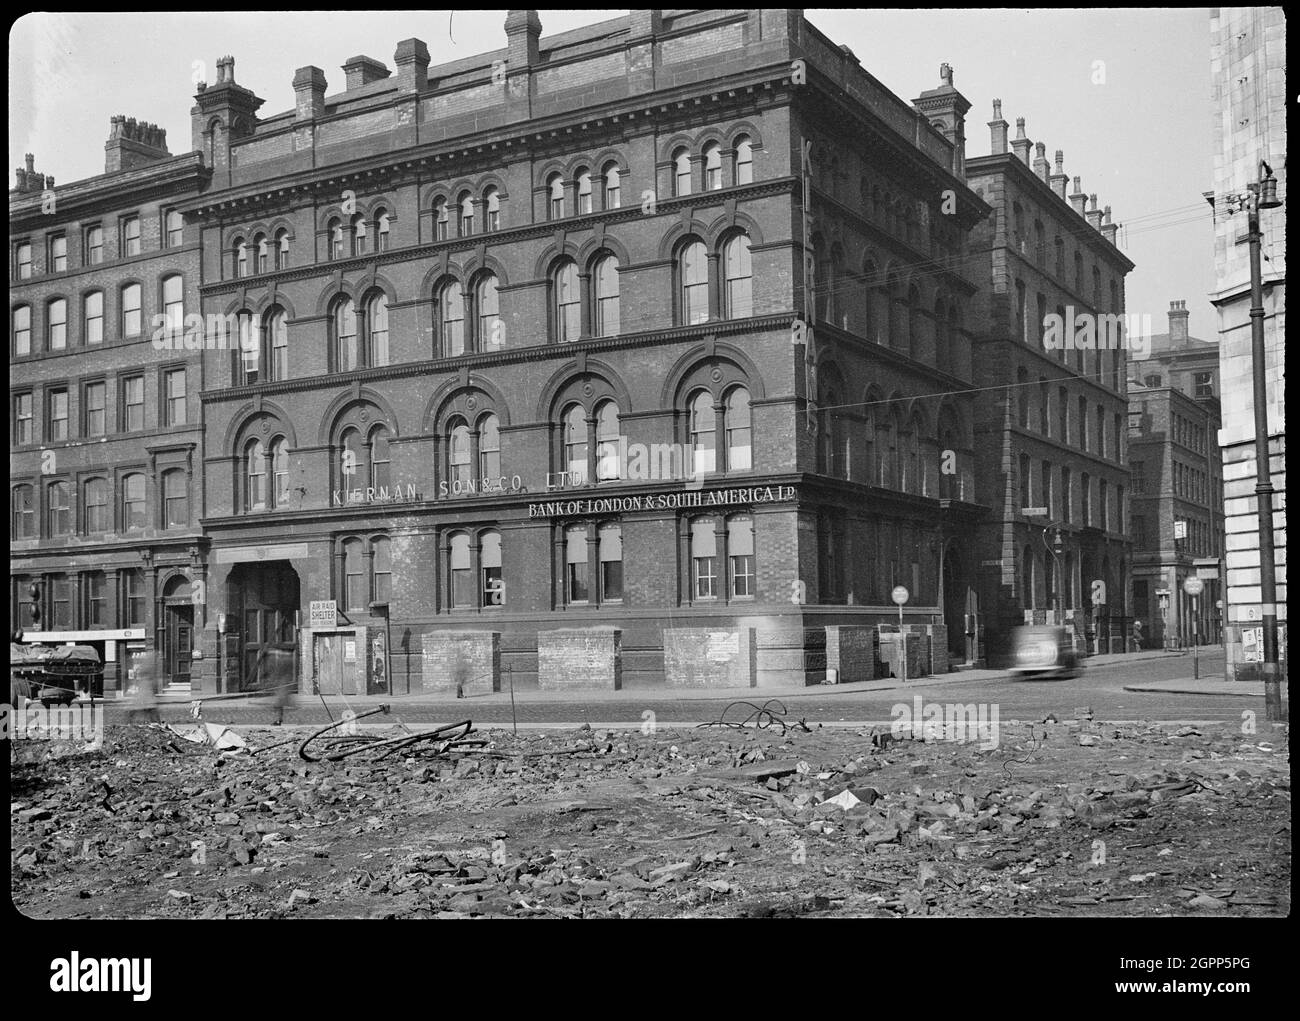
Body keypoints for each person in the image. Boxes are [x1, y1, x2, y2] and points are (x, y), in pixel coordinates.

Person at [127, 650, 161, 723]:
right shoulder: (150, 665)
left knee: (145, 707)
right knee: (149, 707)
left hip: (145, 690)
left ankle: (130, 721)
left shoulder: (147, 665)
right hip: (146, 690)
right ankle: (157, 723)